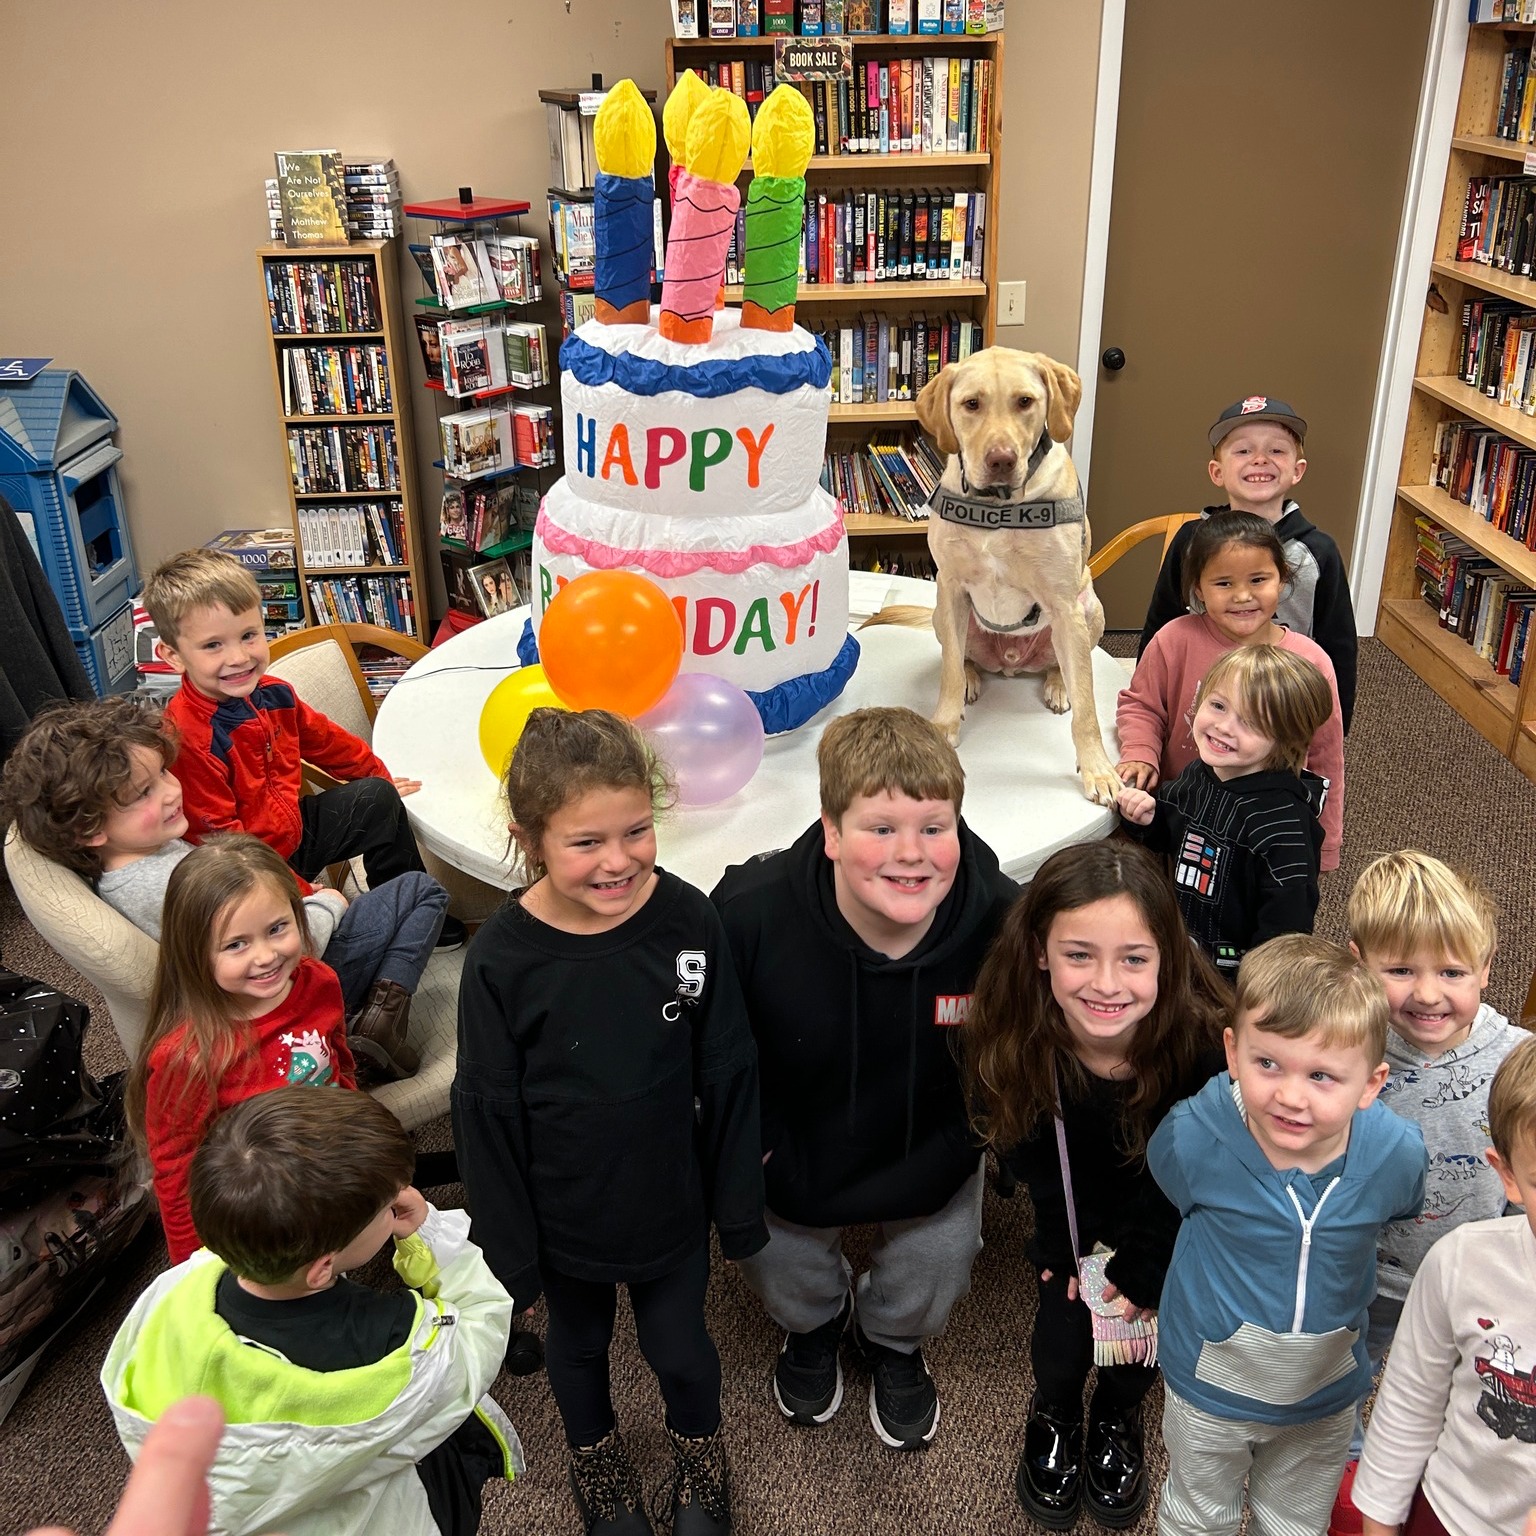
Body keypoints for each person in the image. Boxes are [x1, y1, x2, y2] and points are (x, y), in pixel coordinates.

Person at [453, 708, 766, 1536]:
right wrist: (508, 1255)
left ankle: (702, 1454)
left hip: (668, 1199)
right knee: (578, 1349)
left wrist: (736, 1206)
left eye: (636, 831)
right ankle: (595, 1461)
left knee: (681, 1349)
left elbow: (728, 1063)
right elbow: (485, 1111)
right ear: (530, 839)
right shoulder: (500, 961)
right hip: (563, 1216)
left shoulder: (690, 922)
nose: (618, 860)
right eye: (586, 842)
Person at [711, 707, 1018, 1452]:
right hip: (797, 1135)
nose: (910, 854)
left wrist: (974, 1136)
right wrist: (750, 1146)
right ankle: (816, 1326)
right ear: (832, 832)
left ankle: (894, 1342)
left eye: (933, 828)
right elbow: (716, 1052)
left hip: (931, 1137)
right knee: (763, 1243)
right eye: (881, 828)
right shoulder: (747, 915)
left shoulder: (1005, 922)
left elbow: (1018, 1050)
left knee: (941, 1257)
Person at [101, 1088, 522, 1536]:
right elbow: (482, 1326)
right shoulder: (391, 1344)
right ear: (322, 1268)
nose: (400, 1200)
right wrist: (429, 1236)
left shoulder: (174, 1292)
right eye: (386, 1207)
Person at [962, 841, 1228, 1527]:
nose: (1107, 984)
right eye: (1079, 954)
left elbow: (1201, 1171)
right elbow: (1022, 1145)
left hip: (1164, 1218)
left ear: (1166, 957)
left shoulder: (1201, 1043)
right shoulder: (1016, 1029)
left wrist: (1148, 1258)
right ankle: (1054, 1409)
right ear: (1041, 952)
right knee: (1060, 1336)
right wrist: (1059, 1244)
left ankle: (1116, 1412)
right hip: (1071, 1214)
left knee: (1136, 1337)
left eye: (1134, 959)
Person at [0, 696, 445, 1080]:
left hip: (266, 977)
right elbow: (276, 949)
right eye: (143, 794)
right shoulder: (168, 883)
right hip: (292, 985)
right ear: (89, 828)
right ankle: (374, 1025)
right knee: (421, 891)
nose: (173, 792)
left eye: (164, 775)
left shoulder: (133, 861)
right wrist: (328, 905)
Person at [1148, 935, 1428, 1536]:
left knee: (1296, 1522)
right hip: (1208, 1388)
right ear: (1232, 1050)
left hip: (1322, 1399)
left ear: (1372, 1084)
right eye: (1267, 1062)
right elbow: (1171, 1184)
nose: (1290, 1096)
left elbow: (1403, 1206)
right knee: (1197, 1518)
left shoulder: (1395, 1156)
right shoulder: (1193, 1137)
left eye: (1323, 1075)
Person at [1328, 850, 1528, 1531]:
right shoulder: (1347, 1041)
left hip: (1474, 1283)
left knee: (1459, 1388)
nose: (1428, 993)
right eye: (1400, 970)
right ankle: (1349, 1468)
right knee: (1349, 1373)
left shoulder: (1513, 1056)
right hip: (1366, 1272)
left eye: (1452, 972)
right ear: (1359, 962)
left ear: (1487, 965)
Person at [141, 548, 465, 950]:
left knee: (378, 798)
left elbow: (325, 739)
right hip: (248, 868)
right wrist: (299, 890)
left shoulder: (274, 692)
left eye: (248, 636)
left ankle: (405, 906)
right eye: (213, 646)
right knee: (315, 928)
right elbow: (225, 846)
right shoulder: (189, 737)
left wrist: (376, 773)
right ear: (172, 656)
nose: (239, 657)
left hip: (293, 830)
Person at [125, 834, 357, 1264]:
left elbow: (340, 1064)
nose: (266, 956)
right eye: (236, 944)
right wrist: (190, 1272)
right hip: (262, 1213)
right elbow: (176, 1171)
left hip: (331, 1171)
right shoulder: (187, 1056)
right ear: (194, 953)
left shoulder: (319, 981)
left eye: (277, 929)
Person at [1352, 1035, 1536, 1536]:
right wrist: (1379, 1520)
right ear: (1510, 1176)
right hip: (1452, 1512)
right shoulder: (1461, 1262)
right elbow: (1408, 1407)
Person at [1116, 511, 1346, 871]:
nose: (1242, 596)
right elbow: (1141, 705)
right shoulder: (1173, 640)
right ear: (1198, 590)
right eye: (1223, 583)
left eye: (1258, 579)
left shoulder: (1311, 662)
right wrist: (1140, 752)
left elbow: (1325, 756)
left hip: (1263, 830)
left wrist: (1326, 844)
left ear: (1282, 580)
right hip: (1179, 812)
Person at [1137, 397, 1358, 732]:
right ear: (1217, 472)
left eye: (1277, 451)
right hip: (1199, 701)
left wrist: (1334, 726)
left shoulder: (1319, 552)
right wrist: (1150, 706)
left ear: (1297, 470)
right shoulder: (1191, 541)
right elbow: (1161, 620)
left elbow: (1338, 645)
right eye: (1243, 451)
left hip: (1282, 705)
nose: (1259, 460)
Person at [1117, 644, 1332, 977]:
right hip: (1180, 946)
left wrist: (1259, 989)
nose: (1224, 727)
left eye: (1252, 723)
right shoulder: (1199, 773)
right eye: (1217, 705)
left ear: (1287, 738)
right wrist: (1149, 819)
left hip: (1235, 975)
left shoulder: (1284, 827)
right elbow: (1175, 831)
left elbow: (1287, 929)